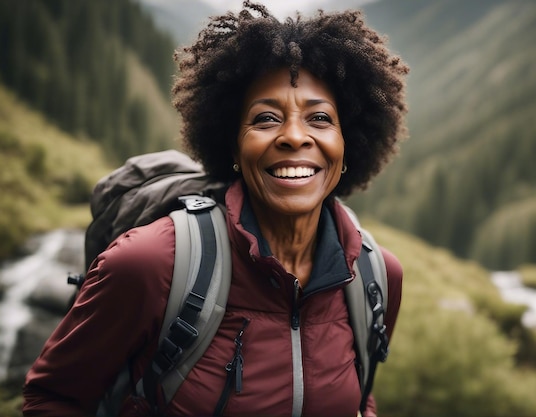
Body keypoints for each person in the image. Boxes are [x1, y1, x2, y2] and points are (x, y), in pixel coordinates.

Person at [22, 1, 408, 416]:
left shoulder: (377, 277)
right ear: (233, 147)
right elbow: (54, 399)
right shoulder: (150, 264)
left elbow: (361, 393)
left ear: (347, 145)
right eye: (265, 119)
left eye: (319, 118)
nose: (295, 136)